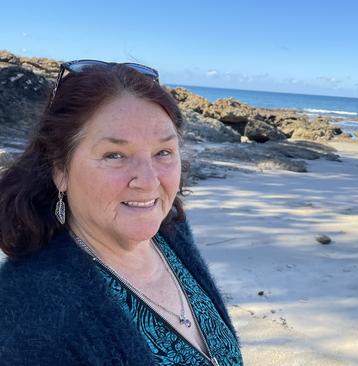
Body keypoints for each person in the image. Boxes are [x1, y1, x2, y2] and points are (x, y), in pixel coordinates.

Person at [0, 60, 243, 365]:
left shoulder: (172, 233)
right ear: (60, 169)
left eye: (163, 152)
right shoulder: (27, 315)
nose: (149, 181)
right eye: (114, 155)